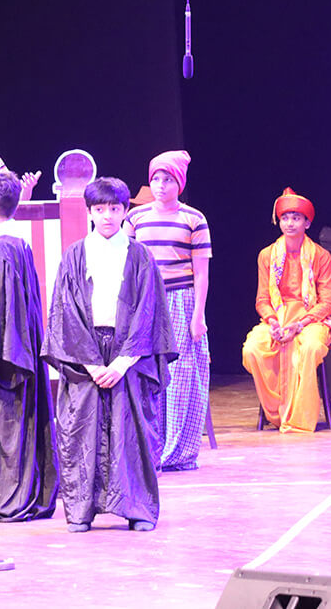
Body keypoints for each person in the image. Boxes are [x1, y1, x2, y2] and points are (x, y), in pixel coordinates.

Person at [42, 177, 176, 533]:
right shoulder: (74, 255)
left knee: (132, 431)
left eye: (114, 208)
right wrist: (91, 363)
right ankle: (81, 511)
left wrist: (121, 363)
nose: (107, 216)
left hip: (128, 354)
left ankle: (138, 509)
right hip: (84, 355)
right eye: (99, 209)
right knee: (81, 432)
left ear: (125, 210)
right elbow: (65, 312)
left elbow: (148, 311)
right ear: (89, 212)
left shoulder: (140, 256)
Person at [0, 172, 59, 522]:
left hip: (5, 358)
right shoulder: (19, 243)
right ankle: (21, 492)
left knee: (6, 424)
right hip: (21, 348)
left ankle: (7, 497)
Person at [125, 150, 211, 471]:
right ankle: (152, 448)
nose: (161, 185)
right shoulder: (136, 218)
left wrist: (198, 316)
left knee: (183, 374)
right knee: (149, 372)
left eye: (168, 179)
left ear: (179, 183)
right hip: (146, 301)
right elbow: (128, 266)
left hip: (181, 300)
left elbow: (201, 272)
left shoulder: (194, 219)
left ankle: (179, 453)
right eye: (156, 179)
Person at [242, 188, 331, 433]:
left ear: (307, 223)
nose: (289, 223)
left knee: (311, 347)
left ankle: (299, 416)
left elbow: (327, 302)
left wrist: (299, 324)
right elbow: (262, 299)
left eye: (296, 218)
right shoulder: (267, 255)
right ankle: (277, 412)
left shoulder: (321, 256)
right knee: (253, 348)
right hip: (277, 318)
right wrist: (273, 322)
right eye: (285, 218)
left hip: (311, 320)